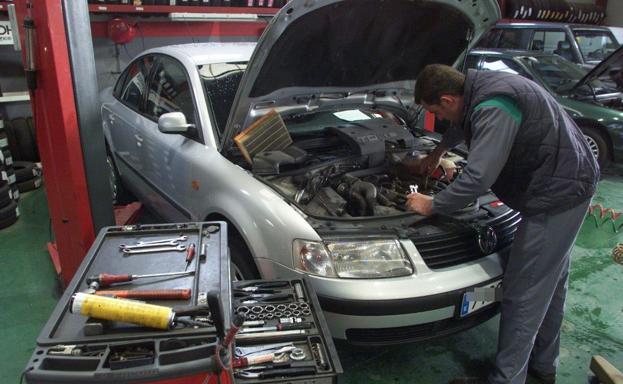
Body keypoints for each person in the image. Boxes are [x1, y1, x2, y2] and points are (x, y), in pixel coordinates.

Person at [405, 64, 599, 384]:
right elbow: (461, 123)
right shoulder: (481, 88)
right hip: (569, 178)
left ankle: (507, 378)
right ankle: (542, 365)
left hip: (557, 192)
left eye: (436, 111)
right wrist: (438, 151)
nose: (440, 118)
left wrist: (432, 204)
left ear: (448, 99)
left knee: (524, 292)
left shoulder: (493, 107)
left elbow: (479, 177)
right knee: (550, 284)